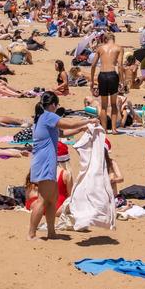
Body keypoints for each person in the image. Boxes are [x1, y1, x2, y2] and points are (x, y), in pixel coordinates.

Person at [28, 92, 91, 240]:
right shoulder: (48, 116)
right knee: (43, 199)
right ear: (53, 105)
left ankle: (51, 232)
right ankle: (31, 234)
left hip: (45, 161)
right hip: (45, 161)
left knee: (53, 198)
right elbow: (68, 123)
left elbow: (63, 132)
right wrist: (88, 121)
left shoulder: (42, 117)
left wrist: (81, 129)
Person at [90, 33, 124, 134]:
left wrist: (92, 80)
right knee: (113, 105)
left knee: (104, 106)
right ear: (113, 39)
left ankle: (104, 129)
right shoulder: (118, 48)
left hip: (103, 75)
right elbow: (120, 66)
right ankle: (113, 129)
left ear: (105, 40)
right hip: (113, 75)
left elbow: (93, 65)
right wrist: (121, 80)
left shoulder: (100, 48)